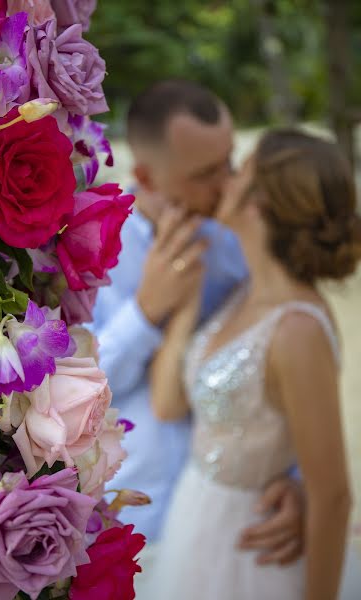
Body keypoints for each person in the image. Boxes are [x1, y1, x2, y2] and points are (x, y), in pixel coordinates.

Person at [89, 80, 304, 593]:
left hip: (244, 520)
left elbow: (276, 369)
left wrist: (295, 481)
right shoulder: (88, 243)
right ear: (146, 176)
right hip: (133, 524)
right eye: (207, 174)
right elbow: (69, 394)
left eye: (230, 161)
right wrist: (145, 313)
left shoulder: (241, 238)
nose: (230, 184)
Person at [150, 129, 361, 599]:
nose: (223, 181)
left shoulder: (298, 331)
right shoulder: (242, 297)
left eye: (237, 171)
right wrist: (184, 302)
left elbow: (333, 495)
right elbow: (167, 404)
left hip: (254, 551)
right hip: (197, 521)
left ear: (260, 203)